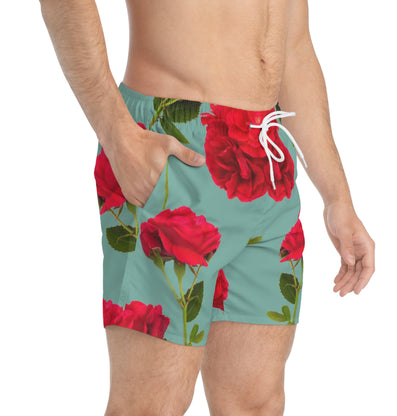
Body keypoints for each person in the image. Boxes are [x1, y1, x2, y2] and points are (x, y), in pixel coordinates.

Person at [39, 0, 375, 415]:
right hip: (173, 146)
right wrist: (116, 132)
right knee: (150, 405)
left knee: (256, 404)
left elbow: (293, 48)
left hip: (267, 158)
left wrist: (337, 197)